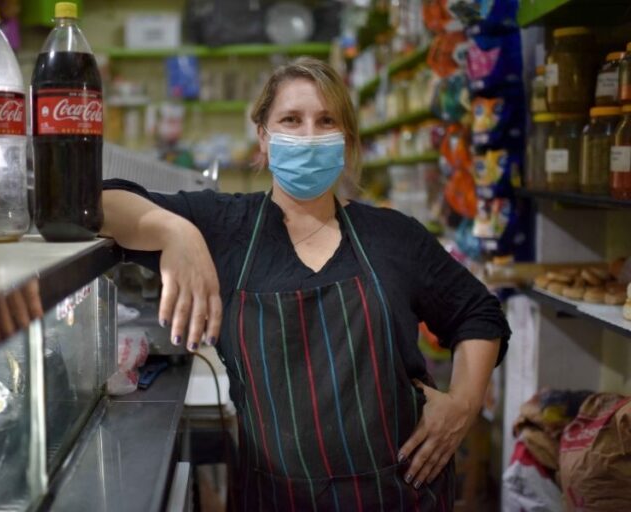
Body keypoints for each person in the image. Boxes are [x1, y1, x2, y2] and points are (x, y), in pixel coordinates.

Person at [101, 57, 510, 511]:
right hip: (276, 498)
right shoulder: (225, 227)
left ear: (346, 139)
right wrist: (174, 231)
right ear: (264, 137)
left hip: (399, 491)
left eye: (326, 121)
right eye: (291, 120)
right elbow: (95, 204)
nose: (309, 135)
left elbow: (478, 313)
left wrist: (463, 404)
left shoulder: (393, 236)